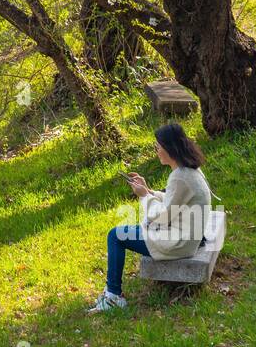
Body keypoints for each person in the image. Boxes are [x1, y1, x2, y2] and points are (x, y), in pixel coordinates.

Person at [89, 122, 213, 313]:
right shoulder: (190, 170)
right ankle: (111, 293)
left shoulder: (179, 176)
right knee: (121, 234)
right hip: (188, 236)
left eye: (158, 147)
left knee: (116, 236)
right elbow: (174, 202)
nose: (156, 151)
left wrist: (144, 195)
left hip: (179, 243)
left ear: (169, 148)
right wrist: (149, 191)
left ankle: (113, 296)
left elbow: (162, 216)